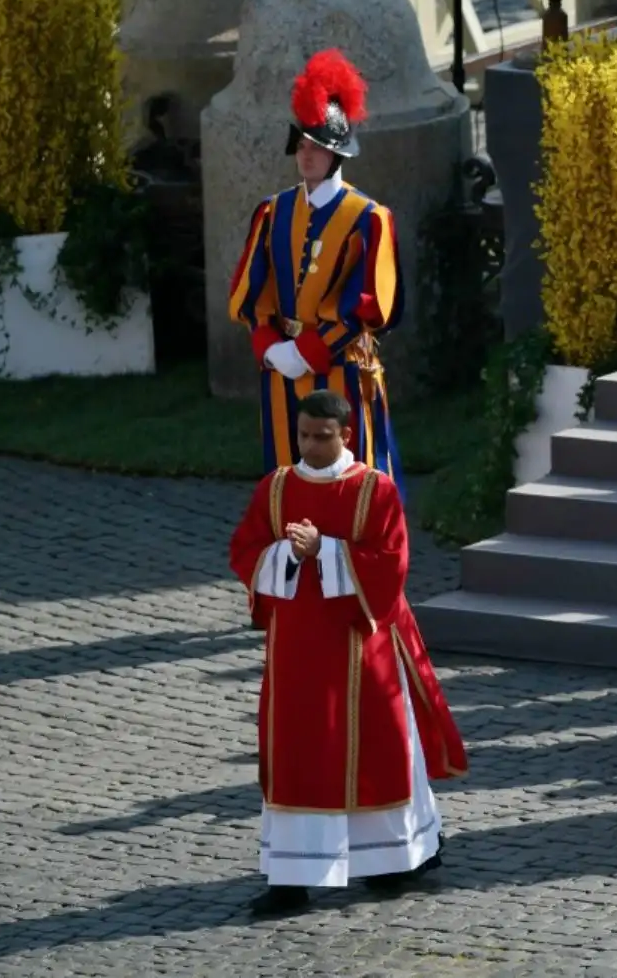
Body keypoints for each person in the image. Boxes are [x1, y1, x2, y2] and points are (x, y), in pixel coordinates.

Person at [226, 389, 466, 917]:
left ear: (346, 436)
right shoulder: (276, 488)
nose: (311, 446)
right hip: (295, 651)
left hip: (363, 645)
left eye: (323, 436)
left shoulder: (375, 491)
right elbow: (244, 551)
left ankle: (392, 860)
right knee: (299, 755)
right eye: (304, 436)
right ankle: (291, 878)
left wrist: (326, 551)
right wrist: (287, 555)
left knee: (376, 748)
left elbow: (390, 565)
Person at [227, 49, 405, 481]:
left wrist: (305, 352)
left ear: (337, 155)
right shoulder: (272, 212)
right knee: (287, 479)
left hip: (341, 369)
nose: (307, 157)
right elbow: (252, 291)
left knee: (348, 479)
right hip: (280, 370)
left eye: (318, 149)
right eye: (302, 147)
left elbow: (369, 304)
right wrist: (270, 347)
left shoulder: (367, 218)